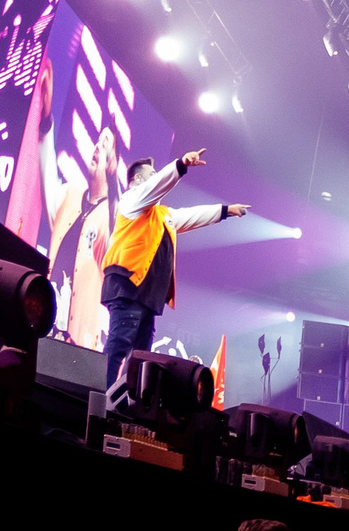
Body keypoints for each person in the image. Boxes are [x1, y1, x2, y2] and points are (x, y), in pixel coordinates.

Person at [101, 150, 253, 398]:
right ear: (137, 181)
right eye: (151, 175)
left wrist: (226, 210)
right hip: (128, 286)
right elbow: (159, 184)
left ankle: (124, 402)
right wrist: (181, 164)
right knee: (118, 346)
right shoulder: (131, 201)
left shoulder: (163, 216)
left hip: (147, 297)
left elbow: (191, 215)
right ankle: (100, 396)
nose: (156, 179)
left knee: (140, 358)